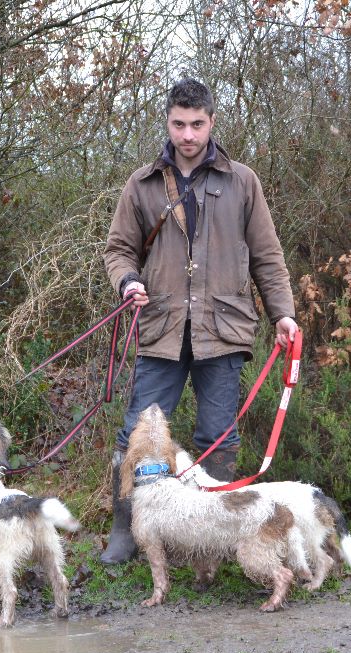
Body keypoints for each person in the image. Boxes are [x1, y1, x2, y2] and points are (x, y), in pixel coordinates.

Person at [100, 78, 298, 564]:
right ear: (167, 123)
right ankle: (126, 533)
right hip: (161, 331)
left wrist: (284, 314)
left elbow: (267, 257)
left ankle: (216, 541)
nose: (188, 135)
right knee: (135, 439)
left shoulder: (242, 181)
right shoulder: (142, 184)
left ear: (211, 123)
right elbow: (119, 250)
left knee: (217, 438)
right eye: (179, 124)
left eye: (197, 124)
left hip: (224, 332)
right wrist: (128, 283)